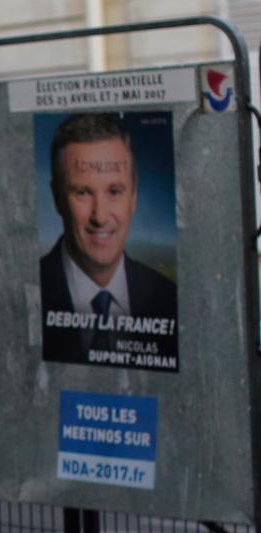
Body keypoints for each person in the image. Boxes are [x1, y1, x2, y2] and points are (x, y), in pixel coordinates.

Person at [40, 113, 177, 366]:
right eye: (82, 192)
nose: (100, 217)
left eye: (114, 191)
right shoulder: (27, 291)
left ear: (133, 197)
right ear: (57, 197)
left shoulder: (168, 298)